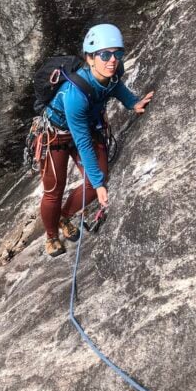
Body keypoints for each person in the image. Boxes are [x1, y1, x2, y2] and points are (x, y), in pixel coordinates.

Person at [40, 23, 155, 257]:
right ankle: (51, 235)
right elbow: (81, 140)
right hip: (57, 134)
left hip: (84, 127)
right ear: (90, 58)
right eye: (104, 55)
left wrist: (132, 102)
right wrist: (100, 185)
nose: (112, 60)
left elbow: (115, 87)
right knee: (54, 189)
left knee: (96, 181)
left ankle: (64, 216)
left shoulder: (112, 71)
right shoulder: (75, 95)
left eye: (117, 53)